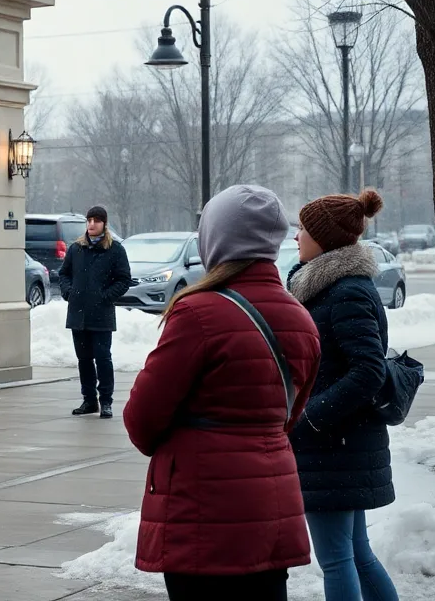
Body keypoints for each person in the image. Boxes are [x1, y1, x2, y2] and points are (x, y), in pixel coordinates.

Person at [124, 184, 321, 601]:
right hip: (272, 505)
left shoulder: (197, 312)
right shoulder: (301, 317)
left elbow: (141, 419)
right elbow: (290, 415)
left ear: (215, 239)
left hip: (203, 509)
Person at [287, 188, 399, 600]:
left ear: (325, 237)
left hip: (335, 446)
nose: (296, 236)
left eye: (303, 229)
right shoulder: (329, 285)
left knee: (337, 558)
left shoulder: (346, 290)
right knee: (355, 553)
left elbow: (369, 370)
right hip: (340, 446)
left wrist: (310, 416)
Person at [58, 205, 132, 418]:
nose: (92, 224)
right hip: (78, 314)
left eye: (96, 221)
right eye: (89, 220)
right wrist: (69, 292)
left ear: (104, 224)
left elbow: (124, 279)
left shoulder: (115, 250)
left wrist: (105, 296)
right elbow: (64, 274)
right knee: (84, 360)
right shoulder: (76, 249)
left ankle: (106, 401)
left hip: (101, 314)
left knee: (103, 358)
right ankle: (89, 400)